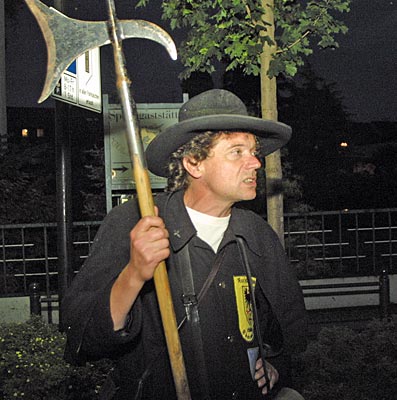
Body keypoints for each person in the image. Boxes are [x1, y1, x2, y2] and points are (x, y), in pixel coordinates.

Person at [62, 89, 308, 400]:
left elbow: (288, 330)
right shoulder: (136, 222)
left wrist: (274, 366)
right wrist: (134, 274)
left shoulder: (258, 235)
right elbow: (81, 337)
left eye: (254, 151)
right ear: (194, 163)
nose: (256, 163)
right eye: (237, 152)